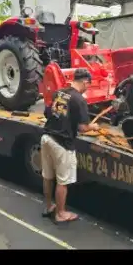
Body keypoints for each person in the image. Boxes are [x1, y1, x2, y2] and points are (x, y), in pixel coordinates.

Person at [41, 68, 98, 224]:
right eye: (89, 84)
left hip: (46, 138)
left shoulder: (59, 93)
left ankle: (48, 206)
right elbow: (82, 128)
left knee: (47, 176)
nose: (88, 88)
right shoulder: (79, 99)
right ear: (85, 82)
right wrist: (94, 127)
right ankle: (61, 213)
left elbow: (48, 113)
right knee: (63, 181)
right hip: (62, 143)